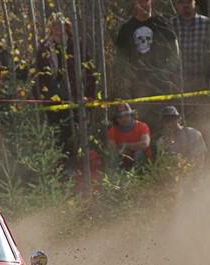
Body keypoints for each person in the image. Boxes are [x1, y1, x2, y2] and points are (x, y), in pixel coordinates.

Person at [35, 14, 96, 158]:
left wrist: (90, 95)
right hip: (53, 97)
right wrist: (41, 97)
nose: (58, 29)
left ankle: (76, 164)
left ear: (67, 27)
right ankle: (60, 166)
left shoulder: (76, 46)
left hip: (75, 95)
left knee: (75, 131)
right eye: (55, 26)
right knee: (57, 133)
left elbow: (90, 72)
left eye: (62, 26)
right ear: (51, 28)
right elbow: (38, 75)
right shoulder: (44, 48)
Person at [115, 0, 178, 99]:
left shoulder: (162, 25)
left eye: (146, 1)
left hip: (162, 84)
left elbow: (175, 55)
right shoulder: (126, 29)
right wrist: (128, 75)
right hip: (136, 85)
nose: (143, 5)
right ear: (135, 3)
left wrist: (164, 73)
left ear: (151, 2)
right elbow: (120, 58)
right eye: (140, 1)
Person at [171, 0, 210, 91]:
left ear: (195, 3)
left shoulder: (206, 23)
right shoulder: (170, 24)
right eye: (181, 2)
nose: (186, 5)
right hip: (178, 83)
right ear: (176, 5)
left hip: (202, 81)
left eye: (189, 2)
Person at [106, 103, 151, 171]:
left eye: (126, 115)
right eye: (120, 117)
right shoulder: (113, 131)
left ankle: (140, 178)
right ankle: (115, 179)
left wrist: (126, 146)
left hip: (142, 159)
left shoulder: (142, 126)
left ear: (131, 115)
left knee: (139, 154)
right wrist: (123, 152)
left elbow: (145, 144)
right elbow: (112, 149)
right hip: (123, 159)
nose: (124, 119)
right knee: (113, 158)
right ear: (116, 119)